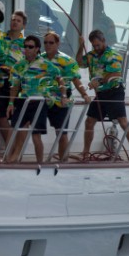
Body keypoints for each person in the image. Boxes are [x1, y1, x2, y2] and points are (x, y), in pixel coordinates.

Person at [76, 29, 129, 162]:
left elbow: (115, 74)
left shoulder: (114, 55)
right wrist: (80, 46)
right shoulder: (92, 55)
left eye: (98, 45)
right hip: (101, 93)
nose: (96, 48)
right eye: (93, 45)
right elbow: (79, 63)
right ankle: (85, 152)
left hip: (114, 91)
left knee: (123, 121)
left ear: (104, 41)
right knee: (89, 121)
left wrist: (97, 81)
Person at [6, 35, 67, 163]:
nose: (27, 49)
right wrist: (11, 103)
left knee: (35, 136)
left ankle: (40, 163)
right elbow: (14, 86)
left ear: (37, 49)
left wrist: (64, 96)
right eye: (25, 46)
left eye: (30, 47)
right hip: (23, 102)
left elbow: (60, 79)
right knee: (13, 130)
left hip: (39, 104)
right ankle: (8, 159)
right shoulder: (19, 65)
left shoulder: (46, 65)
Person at [41, 31, 90, 160]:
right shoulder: (40, 59)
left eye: (51, 43)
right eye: (45, 43)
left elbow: (75, 80)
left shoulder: (67, 61)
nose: (48, 45)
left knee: (61, 132)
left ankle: (63, 161)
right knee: (31, 129)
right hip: (43, 98)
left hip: (62, 98)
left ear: (58, 44)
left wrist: (84, 94)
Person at [0, 11, 27, 142]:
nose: (15, 22)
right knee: (1, 117)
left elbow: (28, 66)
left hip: (15, 85)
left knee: (16, 118)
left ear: (23, 26)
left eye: (18, 21)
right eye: (13, 20)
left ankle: (14, 150)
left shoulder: (26, 44)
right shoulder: (0, 38)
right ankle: (9, 149)